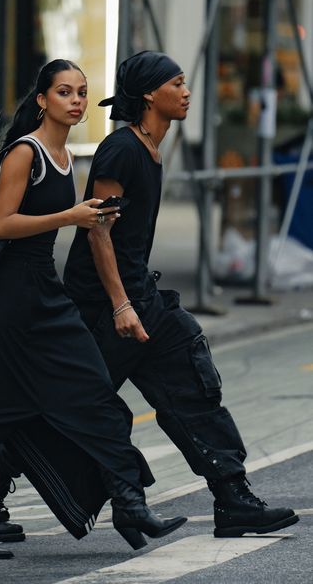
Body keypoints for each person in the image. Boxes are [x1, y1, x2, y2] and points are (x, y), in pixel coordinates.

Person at [0, 58, 186, 560]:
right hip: (10, 300)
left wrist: (92, 221)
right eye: (64, 92)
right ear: (42, 100)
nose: (77, 101)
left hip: (45, 294)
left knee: (96, 396)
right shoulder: (27, 152)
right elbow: (2, 225)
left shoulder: (66, 154)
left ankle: (129, 502)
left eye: (82, 92)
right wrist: (71, 216)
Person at [62, 51, 299, 538]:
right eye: (177, 82)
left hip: (141, 301)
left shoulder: (151, 147)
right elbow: (97, 233)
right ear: (151, 94)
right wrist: (121, 305)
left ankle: (234, 500)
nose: (187, 91)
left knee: (194, 387)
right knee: (62, 409)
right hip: (102, 309)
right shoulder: (121, 150)